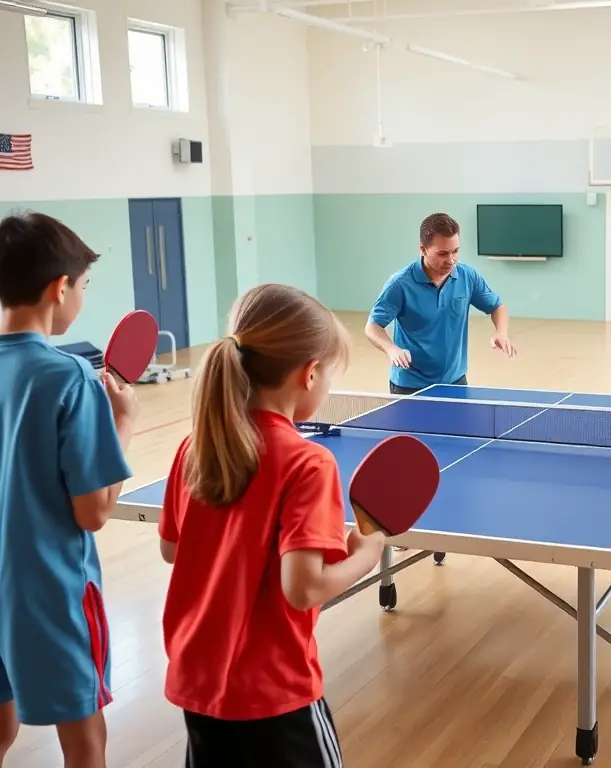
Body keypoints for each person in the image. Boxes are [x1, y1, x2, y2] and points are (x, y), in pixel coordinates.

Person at [156, 283, 388, 767]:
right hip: (274, 691)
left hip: (197, 683)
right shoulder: (308, 463)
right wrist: (365, 555)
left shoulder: (194, 447)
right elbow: (303, 589)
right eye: (329, 375)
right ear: (308, 375)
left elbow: (173, 550)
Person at [0, 212, 138, 767]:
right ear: (61, 288)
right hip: (51, 592)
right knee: (85, 743)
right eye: (83, 287)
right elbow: (94, 511)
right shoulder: (68, 376)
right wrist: (122, 419)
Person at [365, 212, 516, 395]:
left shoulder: (467, 276)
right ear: (423, 249)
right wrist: (391, 349)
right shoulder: (400, 284)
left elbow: (497, 307)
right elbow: (372, 327)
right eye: (443, 253)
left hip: (456, 380)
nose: (451, 260)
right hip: (410, 384)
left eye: (455, 251)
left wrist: (501, 333)